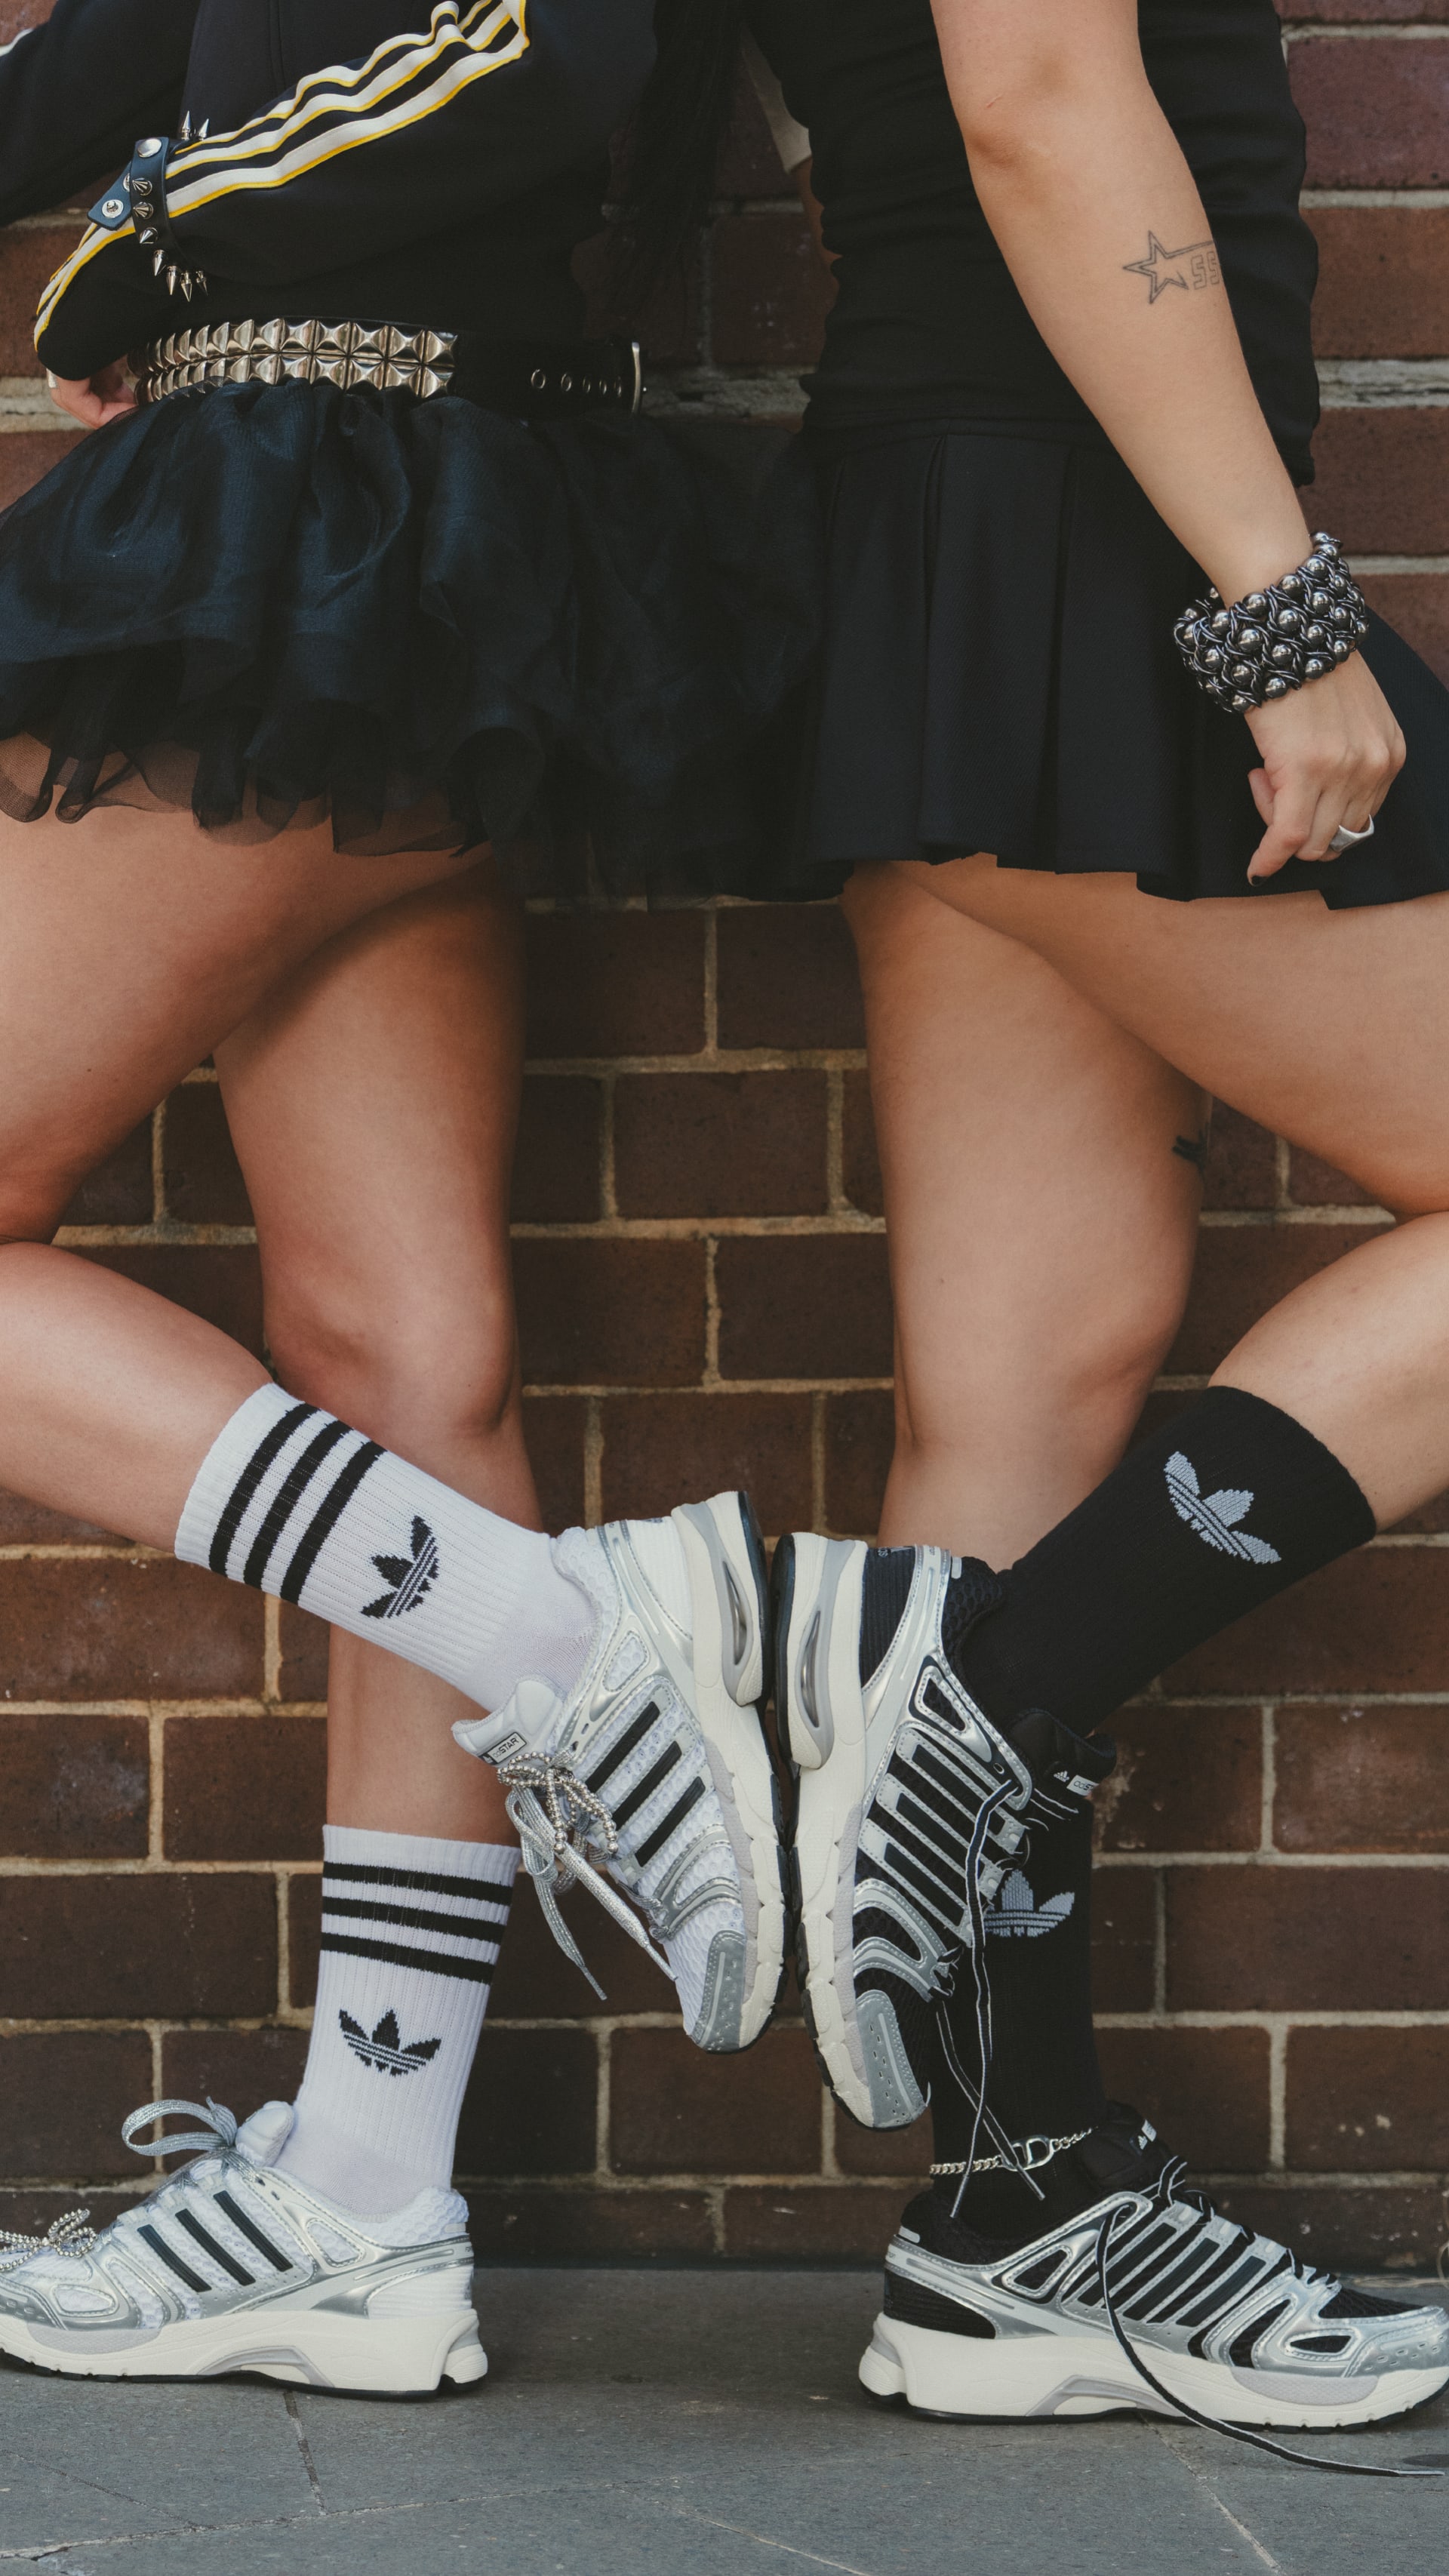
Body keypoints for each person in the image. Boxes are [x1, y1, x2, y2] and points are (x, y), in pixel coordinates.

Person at [0, 0, 813, 2394]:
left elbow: (552, 49)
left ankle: (584, 1647)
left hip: (334, 499)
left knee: (414, 1392)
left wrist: (146, 249)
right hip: (384, 527)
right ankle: (363, 2206)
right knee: (402, 1362)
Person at [749, 0, 1449, 2434]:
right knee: (1019, 1417)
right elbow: (1040, 94)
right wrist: (1277, 605)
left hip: (971, 520)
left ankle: (1012, 2211)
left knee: (1028, 1378)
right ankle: (957, 1718)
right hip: (1082, 531)